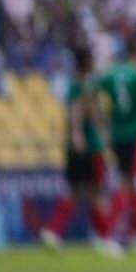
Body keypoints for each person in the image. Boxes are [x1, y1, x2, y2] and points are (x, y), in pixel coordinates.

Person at [39, 44, 120, 256]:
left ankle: (53, 232)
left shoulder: (74, 85)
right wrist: (80, 134)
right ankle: (105, 238)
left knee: (75, 192)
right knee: (97, 194)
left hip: (76, 147)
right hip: (90, 147)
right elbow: (80, 111)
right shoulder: (85, 86)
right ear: (87, 63)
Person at [98, 32, 136, 248]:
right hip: (135, 134)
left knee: (130, 183)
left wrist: (104, 122)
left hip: (116, 134)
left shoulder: (111, 73)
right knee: (130, 183)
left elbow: (94, 89)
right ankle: (110, 234)